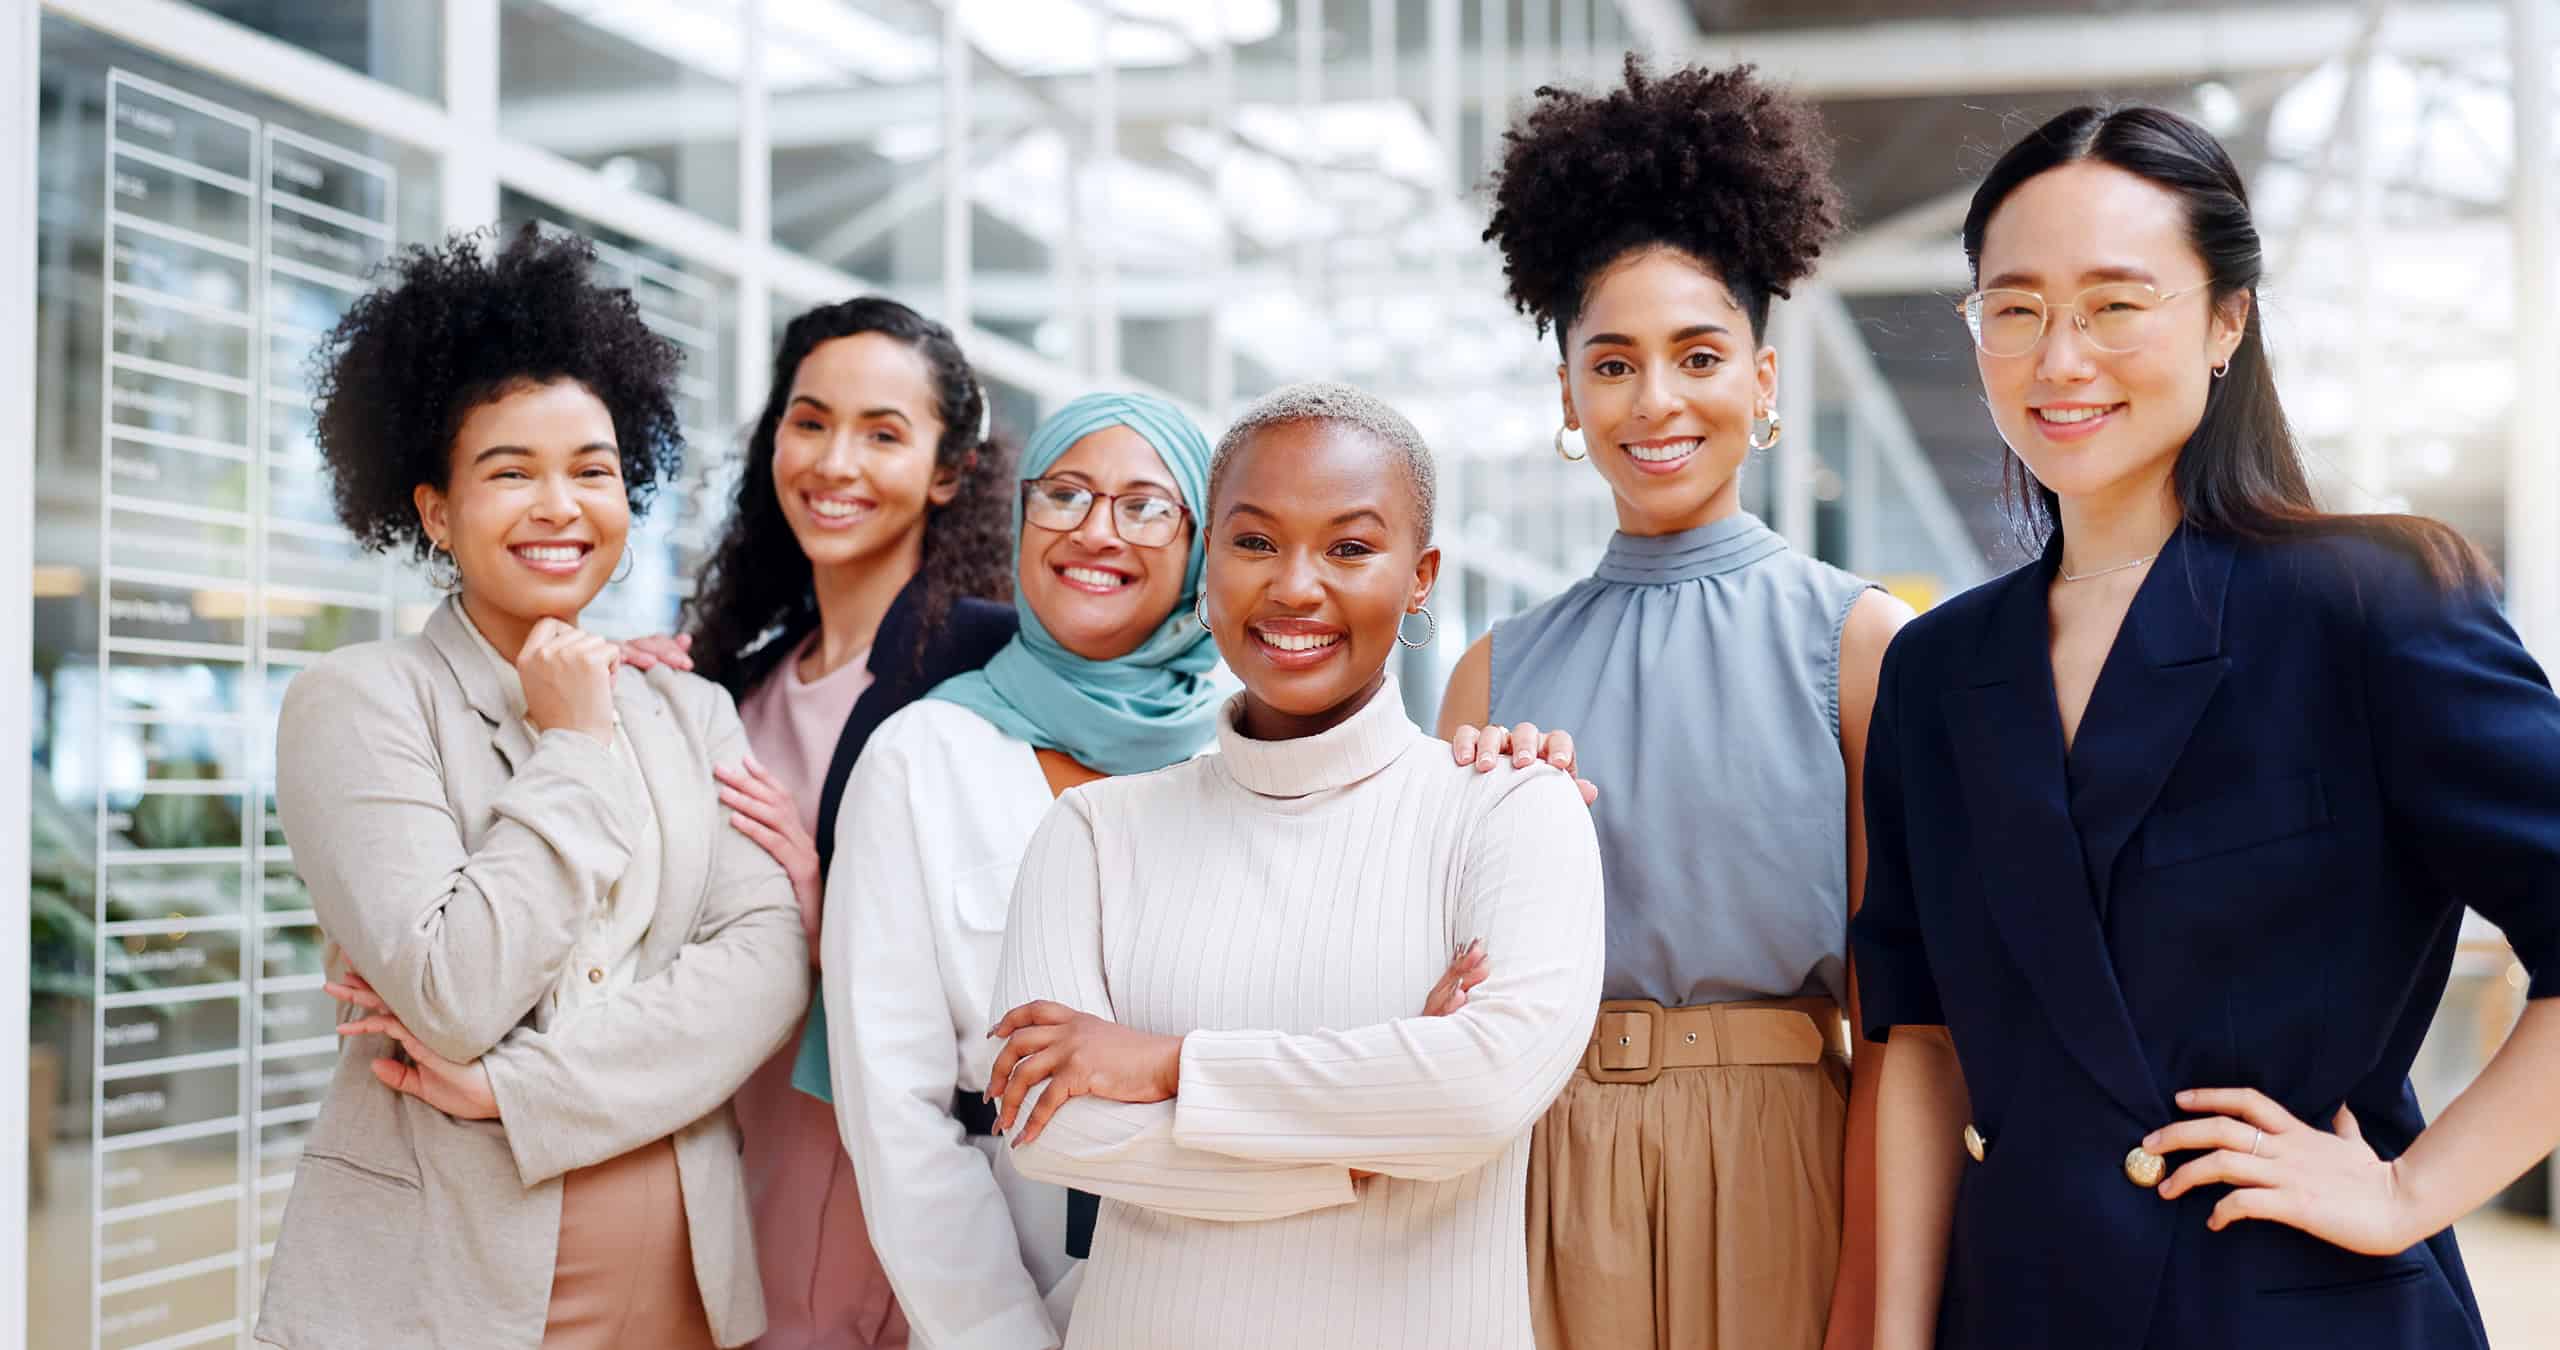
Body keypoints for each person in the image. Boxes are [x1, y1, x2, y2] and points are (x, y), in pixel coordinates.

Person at [1853, 105, 2560, 1350]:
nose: (2059, 358)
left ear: (2227, 318)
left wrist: (2411, 1192)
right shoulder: (1937, 668)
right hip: (2020, 1308)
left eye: (2116, 304)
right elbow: (1918, 1040)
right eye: (2012, 309)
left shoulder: (2369, 603)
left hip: (2289, 1307)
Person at [256, 224, 808, 1349]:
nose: (560, 505)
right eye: (510, 472)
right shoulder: (359, 703)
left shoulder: (688, 708)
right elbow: (455, 990)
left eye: (592, 471)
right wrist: (571, 747)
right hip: (443, 1287)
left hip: (687, 1284)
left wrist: (522, 1091)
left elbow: (764, 966)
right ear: (435, 510)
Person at [983, 381, 1606, 1350]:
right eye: (1255, 541)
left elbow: (1481, 1089)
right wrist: (1364, 1151)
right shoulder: (1095, 833)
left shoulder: (1510, 807)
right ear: (1205, 564)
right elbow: (1048, 1129)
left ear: (1420, 576)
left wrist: (1165, 1065)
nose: (1295, 587)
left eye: (1350, 547)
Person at [1449, 59, 1905, 1350]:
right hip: (1538, 1165)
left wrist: (1872, 1293)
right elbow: (1440, 987)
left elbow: (1898, 1024)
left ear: (1762, 381)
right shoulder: (1494, 672)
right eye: (1613, 362)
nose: (1656, 401)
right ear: (1568, 396)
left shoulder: (1861, 643)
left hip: (1783, 1154)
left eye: (1699, 355)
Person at [624, 296, 1016, 1350]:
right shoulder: (738, 678)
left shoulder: (993, 669)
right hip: (725, 1142)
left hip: (872, 1165)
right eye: (810, 421)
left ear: (949, 471)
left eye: (883, 434)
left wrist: (825, 909)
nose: (835, 461)